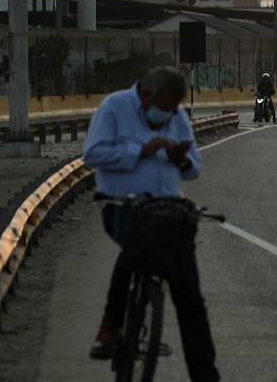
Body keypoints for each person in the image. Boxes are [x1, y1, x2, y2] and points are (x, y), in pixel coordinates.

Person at [82, 66, 220, 381]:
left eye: (172, 110)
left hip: (167, 210)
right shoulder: (114, 107)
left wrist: (180, 159)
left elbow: (194, 168)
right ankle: (111, 327)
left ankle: (205, 375)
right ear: (146, 96)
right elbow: (92, 154)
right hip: (122, 206)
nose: (167, 116)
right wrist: (140, 151)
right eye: (164, 108)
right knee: (137, 246)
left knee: (190, 298)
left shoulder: (177, 116)